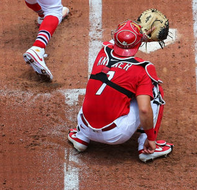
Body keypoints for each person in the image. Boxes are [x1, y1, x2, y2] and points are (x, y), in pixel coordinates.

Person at [67, 20, 174, 163]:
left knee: (101, 87)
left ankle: (81, 137)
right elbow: (144, 110)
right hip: (115, 135)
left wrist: (134, 37)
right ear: (138, 43)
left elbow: (117, 41)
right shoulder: (142, 69)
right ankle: (145, 147)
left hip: (84, 124)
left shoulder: (102, 52)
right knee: (154, 90)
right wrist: (151, 138)